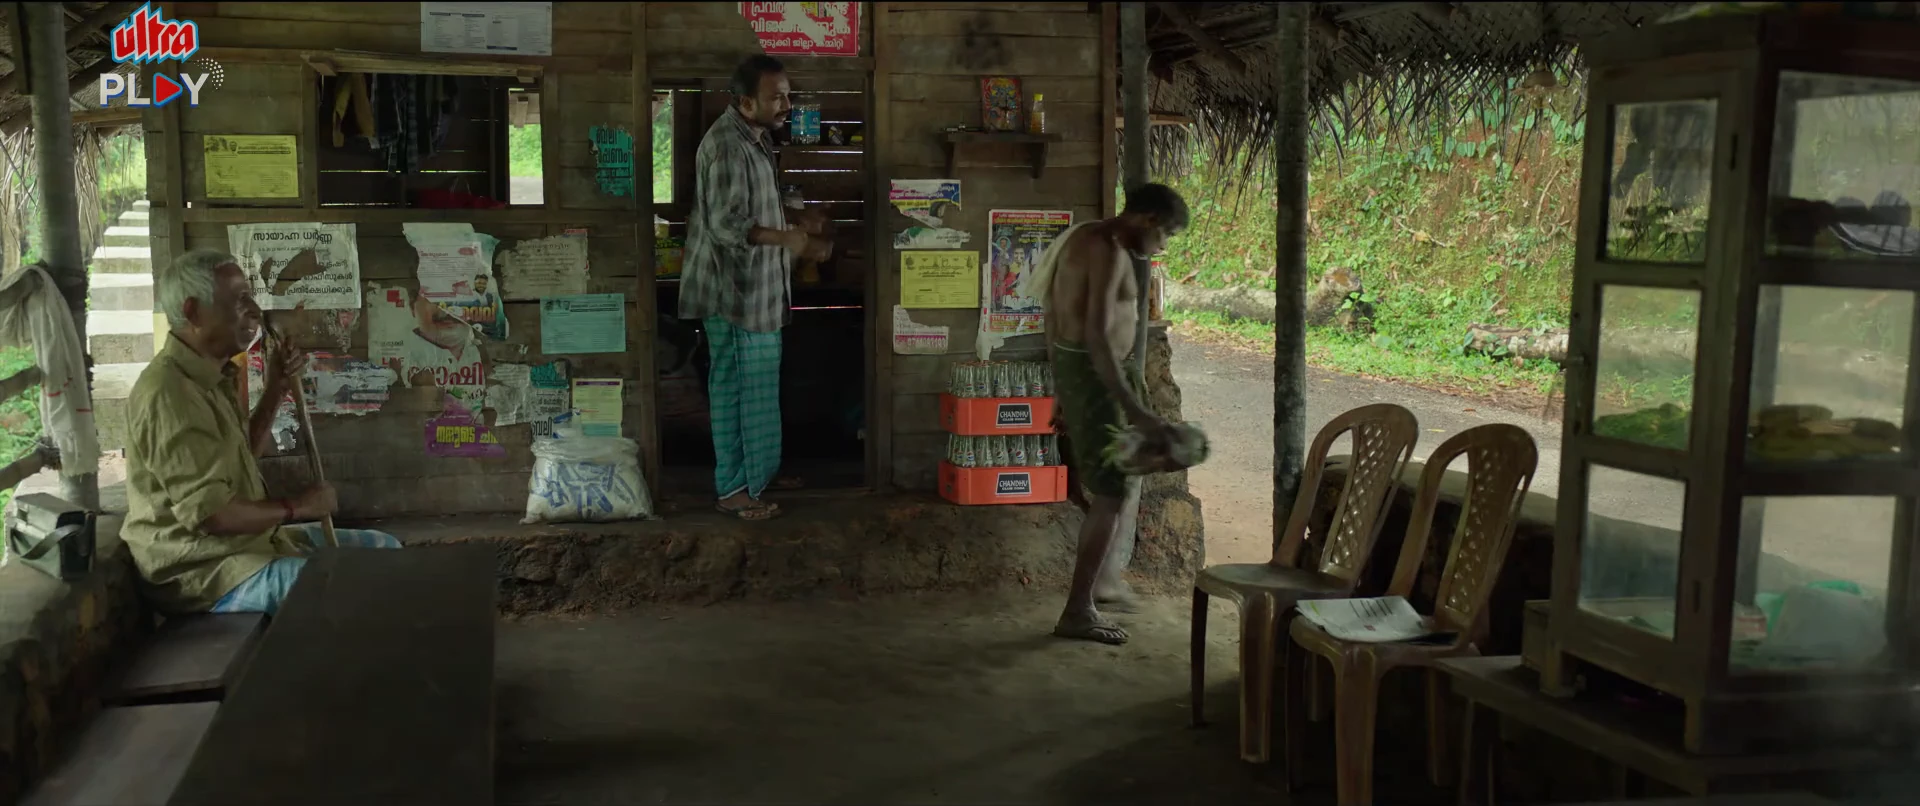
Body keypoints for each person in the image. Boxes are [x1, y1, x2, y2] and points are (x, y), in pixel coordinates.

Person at [123, 249, 402, 616]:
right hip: (206, 569)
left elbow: (240, 459)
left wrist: (276, 389)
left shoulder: (214, 375)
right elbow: (214, 515)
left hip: (251, 544)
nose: (254, 310)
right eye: (240, 300)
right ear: (193, 312)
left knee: (386, 551)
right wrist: (299, 507)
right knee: (352, 592)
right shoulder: (169, 393)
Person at [678, 53, 832, 521]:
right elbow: (726, 224)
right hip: (733, 293)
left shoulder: (755, 138)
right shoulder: (727, 145)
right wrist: (788, 239)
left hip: (756, 293)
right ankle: (734, 490)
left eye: (787, 95)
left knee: (758, 387)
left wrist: (796, 219)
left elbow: (754, 203)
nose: (786, 105)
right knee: (737, 391)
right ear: (746, 102)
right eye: (776, 97)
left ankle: (758, 473)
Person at [1038, 183, 1190, 644]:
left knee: (1117, 484)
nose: (1162, 247)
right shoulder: (1105, 248)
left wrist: (1062, 388)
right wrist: (1136, 410)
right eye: (1165, 235)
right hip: (1098, 374)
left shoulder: (1086, 237)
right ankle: (1078, 609)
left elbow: (1053, 317)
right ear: (1148, 220)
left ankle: (1101, 583)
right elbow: (1098, 338)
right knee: (1110, 492)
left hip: (1084, 374)